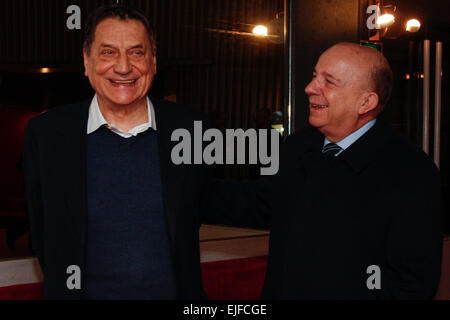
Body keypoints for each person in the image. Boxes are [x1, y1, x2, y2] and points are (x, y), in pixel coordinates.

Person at [205, 42, 443, 299]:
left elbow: (412, 284)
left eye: (328, 82)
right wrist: (179, 184)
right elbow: (261, 203)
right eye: (314, 76)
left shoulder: (410, 172)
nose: (309, 88)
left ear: (365, 102)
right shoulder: (299, 147)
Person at [23, 4, 209, 299]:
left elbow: (198, 213)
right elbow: (43, 235)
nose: (123, 67)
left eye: (137, 52)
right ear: (86, 60)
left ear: (154, 60)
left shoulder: (191, 129)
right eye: (108, 52)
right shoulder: (47, 136)